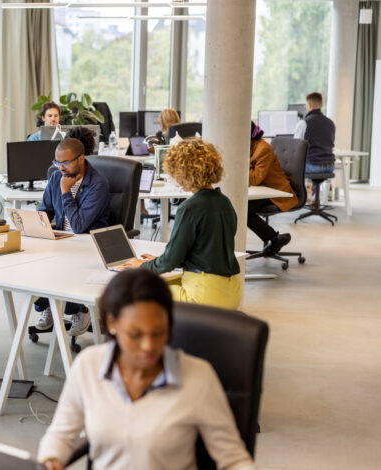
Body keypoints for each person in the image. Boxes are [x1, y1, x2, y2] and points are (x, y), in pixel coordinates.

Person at [38, 269, 256, 470]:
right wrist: (51, 459)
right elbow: (61, 435)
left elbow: (233, 459)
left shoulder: (198, 377)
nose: (148, 346)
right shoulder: (89, 365)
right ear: (112, 323)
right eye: (135, 334)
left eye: (158, 332)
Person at [122, 139, 242, 310]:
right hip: (231, 291)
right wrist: (158, 261)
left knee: (137, 289)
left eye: (176, 173)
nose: (175, 179)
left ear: (187, 173)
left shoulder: (190, 208)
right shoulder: (224, 202)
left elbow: (170, 261)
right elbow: (203, 252)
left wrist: (143, 265)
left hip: (204, 294)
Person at [34, 137, 111, 336]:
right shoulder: (56, 177)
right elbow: (45, 209)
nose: (61, 168)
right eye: (57, 162)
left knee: (64, 263)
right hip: (63, 239)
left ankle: (80, 310)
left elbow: (78, 226)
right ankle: (49, 305)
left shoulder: (98, 184)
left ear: (81, 158)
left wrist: (66, 191)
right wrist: (36, 225)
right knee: (36, 260)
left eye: (66, 162)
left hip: (88, 243)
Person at [248, 122, 296, 255]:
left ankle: (275, 239)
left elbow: (255, 178)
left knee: (243, 209)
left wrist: (241, 164)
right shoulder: (250, 147)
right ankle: (275, 239)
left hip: (275, 191)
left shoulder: (263, 149)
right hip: (261, 189)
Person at [293, 92, 336, 174]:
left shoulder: (304, 123)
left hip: (312, 166)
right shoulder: (331, 123)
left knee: (288, 168)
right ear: (321, 105)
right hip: (330, 166)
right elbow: (331, 146)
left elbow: (295, 148)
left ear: (309, 105)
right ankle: (314, 183)